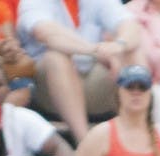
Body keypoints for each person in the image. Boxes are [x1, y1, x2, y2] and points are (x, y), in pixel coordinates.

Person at [16, 0, 145, 145]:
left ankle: (142, 130)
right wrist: (96, 51)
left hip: (93, 77)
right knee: (56, 57)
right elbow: (48, 34)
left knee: (131, 50)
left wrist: (118, 46)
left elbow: (131, 26)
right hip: (48, 86)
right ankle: (84, 142)